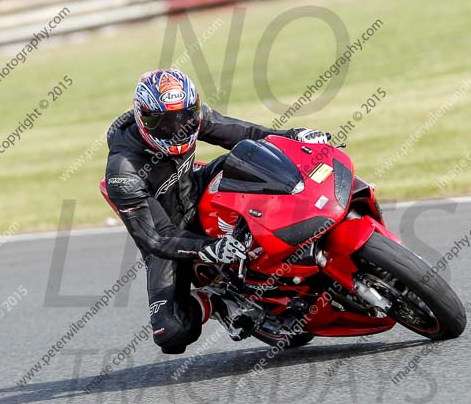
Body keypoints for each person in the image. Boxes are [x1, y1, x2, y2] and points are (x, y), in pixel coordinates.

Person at [103, 69, 329, 354]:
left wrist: (293, 137)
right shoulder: (123, 171)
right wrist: (209, 248)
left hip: (195, 189)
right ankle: (216, 300)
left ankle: (303, 226)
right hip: (167, 234)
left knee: (249, 158)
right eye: (164, 123)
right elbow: (155, 239)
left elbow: (245, 133)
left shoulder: (193, 119)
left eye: (184, 119)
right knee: (171, 333)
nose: (177, 130)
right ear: (142, 118)